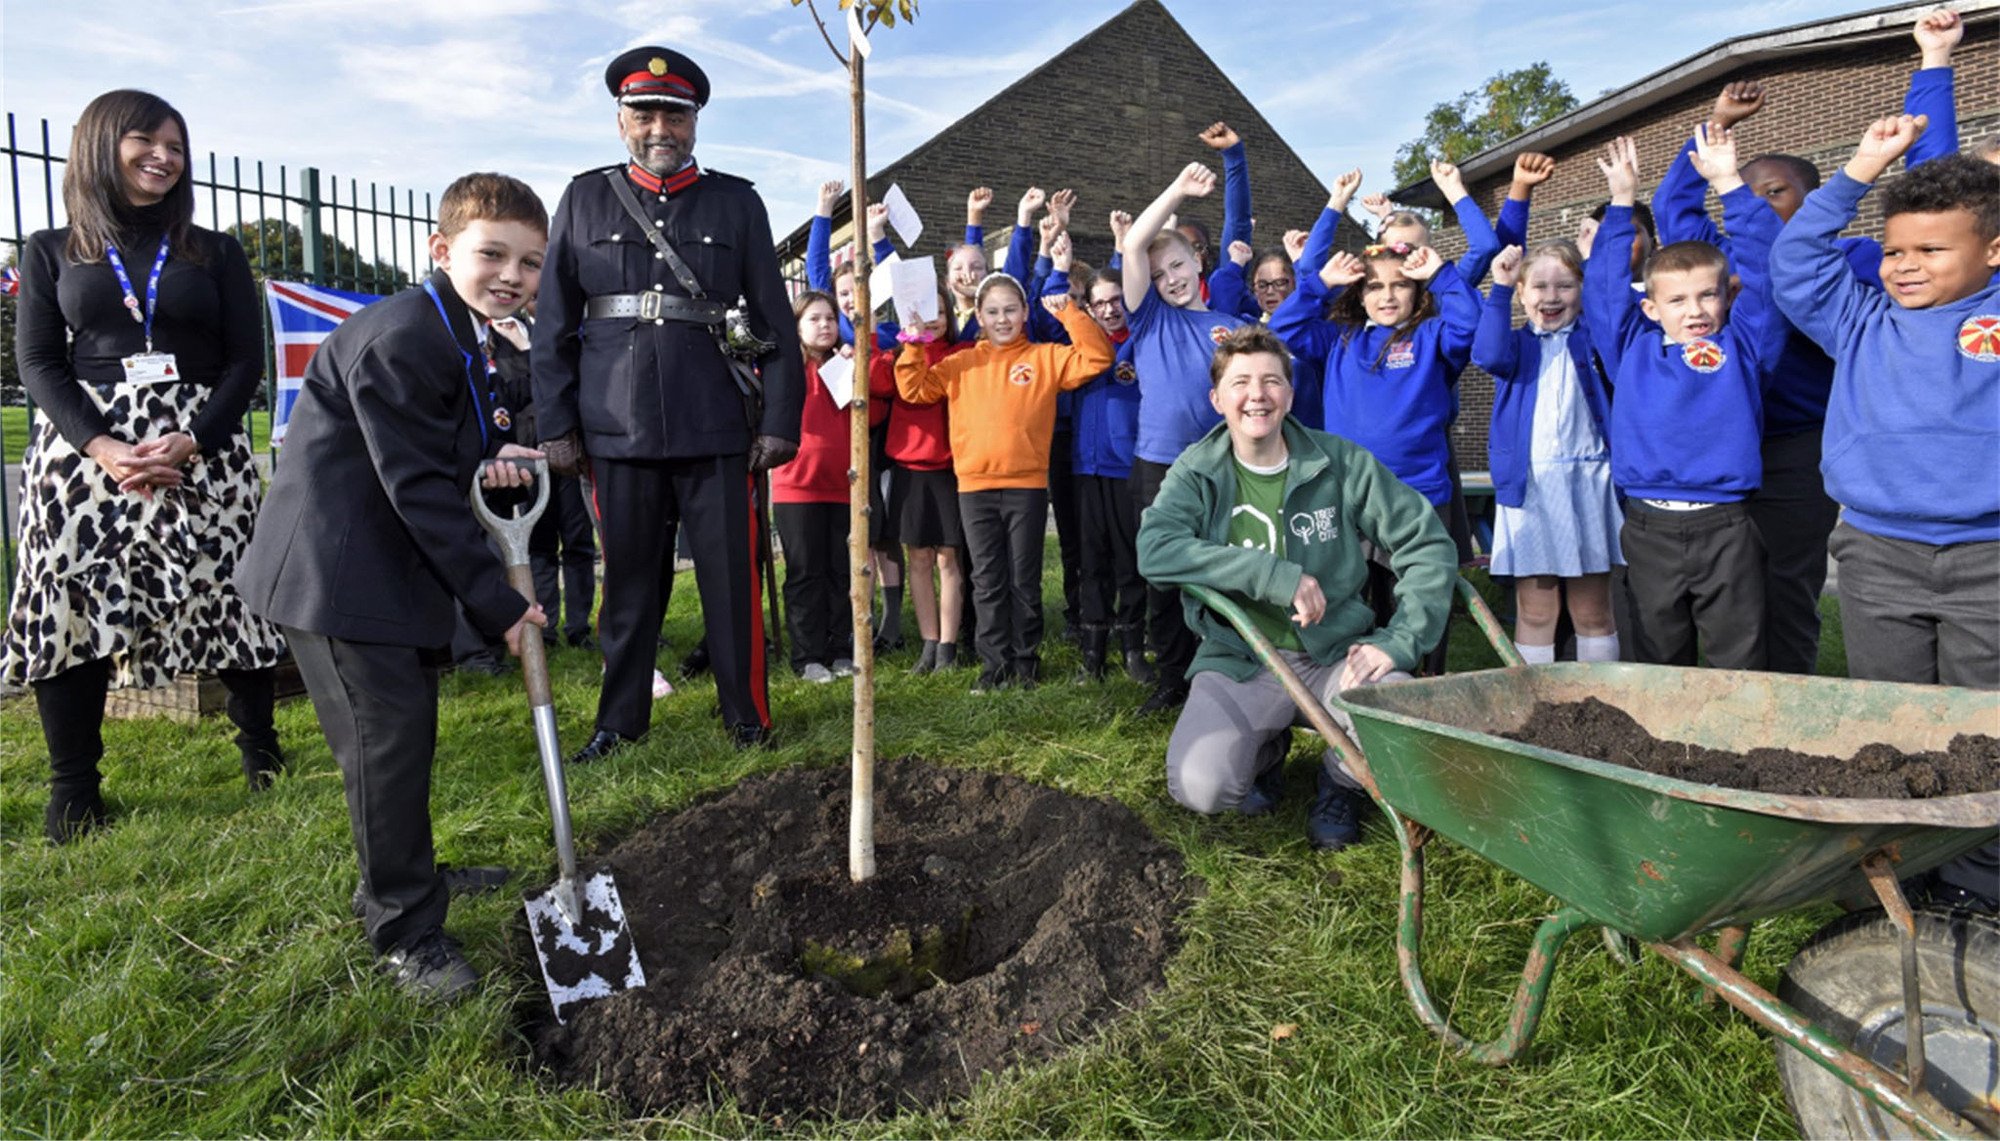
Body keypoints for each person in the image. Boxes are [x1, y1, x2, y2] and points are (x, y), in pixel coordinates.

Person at [236, 172, 550, 1001]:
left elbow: (425, 454)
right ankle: (404, 926)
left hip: (379, 565)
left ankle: (409, 871)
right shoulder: (405, 336)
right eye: (493, 254)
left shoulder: (457, 330)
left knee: (404, 735)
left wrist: (486, 461)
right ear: (442, 250)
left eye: (530, 261)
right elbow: (411, 485)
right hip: (337, 577)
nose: (512, 275)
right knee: (385, 743)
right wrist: (502, 605)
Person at [3, 89, 286, 844]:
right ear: (101, 144)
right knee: (70, 599)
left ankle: (262, 748)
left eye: (176, 146)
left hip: (203, 445)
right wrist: (102, 445)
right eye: (146, 141)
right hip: (87, 454)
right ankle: (74, 786)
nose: (165, 156)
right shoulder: (49, 248)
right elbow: (37, 362)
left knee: (232, 590)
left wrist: (193, 438)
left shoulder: (216, 250)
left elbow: (244, 360)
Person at [532, 46, 803, 759]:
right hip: (616, 429)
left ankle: (747, 713)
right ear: (621, 120)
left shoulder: (735, 202)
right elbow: (553, 324)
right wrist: (557, 425)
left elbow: (777, 323)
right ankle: (619, 722)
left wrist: (779, 420)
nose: (660, 126)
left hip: (714, 424)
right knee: (627, 589)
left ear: (694, 122)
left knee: (731, 582)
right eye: (644, 112)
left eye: (674, 114)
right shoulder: (583, 198)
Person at [1772, 113, 1999, 910]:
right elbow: (1795, 263)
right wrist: (1861, 169)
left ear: (1994, 251)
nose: (1904, 266)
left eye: (1931, 250)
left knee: (1984, 727)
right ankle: (1898, 868)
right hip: (1879, 554)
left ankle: (1979, 880)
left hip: (1989, 559)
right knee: (1894, 715)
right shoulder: (1861, 319)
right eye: (1895, 250)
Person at [1137, 326, 1455, 850]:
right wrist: (1273, 576)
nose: (1256, 395)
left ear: (1290, 393)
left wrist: (1399, 640)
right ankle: (1265, 752)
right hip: (1243, 656)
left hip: (1334, 651)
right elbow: (1156, 550)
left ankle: (1341, 778)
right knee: (1201, 786)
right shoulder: (1197, 470)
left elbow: (1427, 544)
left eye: (1271, 381)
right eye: (1240, 383)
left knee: (1402, 723)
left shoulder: (1340, 462)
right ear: (1217, 399)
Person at [1586, 131, 1785, 671]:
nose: (1694, 309)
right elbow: (1602, 291)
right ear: (1651, 309)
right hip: (1649, 525)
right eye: (1676, 299)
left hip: (1726, 527)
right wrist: (1622, 202)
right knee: (1655, 658)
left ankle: (1733, 753)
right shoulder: (1630, 347)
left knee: (1738, 657)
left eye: (1707, 295)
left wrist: (1728, 184)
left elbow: (1770, 270)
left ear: (1727, 297)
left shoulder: (1744, 346)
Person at [895, 276, 1113, 691]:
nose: (1002, 319)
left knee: (1023, 578)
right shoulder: (961, 362)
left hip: (1026, 487)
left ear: (1026, 312)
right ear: (978, 316)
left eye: (1011, 310)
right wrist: (914, 343)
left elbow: (1097, 357)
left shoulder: (1045, 357)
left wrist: (1068, 311)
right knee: (988, 580)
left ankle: (1025, 662)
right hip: (973, 488)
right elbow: (915, 390)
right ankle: (993, 664)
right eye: (992, 311)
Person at [1121, 162, 1253, 714]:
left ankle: (1220, 669)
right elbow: (1133, 246)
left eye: (1176, 265)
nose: (1170, 279)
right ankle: (1170, 676)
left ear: (1198, 261)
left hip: (1221, 467)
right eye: (1158, 274)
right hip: (1157, 467)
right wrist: (1175, 187)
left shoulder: (1228, 325)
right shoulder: (1148, 319)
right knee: (1165, 573)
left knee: (1222, 567)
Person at [1474, 240, 1623, 665]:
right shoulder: (1516, 347)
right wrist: (1500, 287)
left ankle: (1603, 705)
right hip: (1532, 486)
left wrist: (1598, 260)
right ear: (1523, 293)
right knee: (1537, 609)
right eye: (1538, 286)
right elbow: (1486, 352)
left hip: (1588, 483)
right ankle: (1536, 709)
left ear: (1583, 289)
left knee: (1592, 609)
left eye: (1565, 286)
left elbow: (1617, 306)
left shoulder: (1595, 340)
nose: (1552, 297)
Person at [870, 285, 970, 674]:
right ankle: (928, 644)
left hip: (947, 470)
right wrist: (897, 343)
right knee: (918, 559)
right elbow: (878, 383)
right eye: (926, 313)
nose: (934, 321)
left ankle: (948, 646)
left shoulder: (960, 355)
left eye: (941, 313)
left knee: (948, 560)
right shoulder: (899, 355)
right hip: (909, 472)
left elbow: (928, 394)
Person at [770, 291, 861, 682]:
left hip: (843, 488)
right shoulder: (783, 368)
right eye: (814, 319)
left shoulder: (848, 365)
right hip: (797, 488)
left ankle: (840, 648)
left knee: (841, 572)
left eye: (829, 318)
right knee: (806, 572)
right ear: (797, 326)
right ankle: (807, 655)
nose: (824, 325)